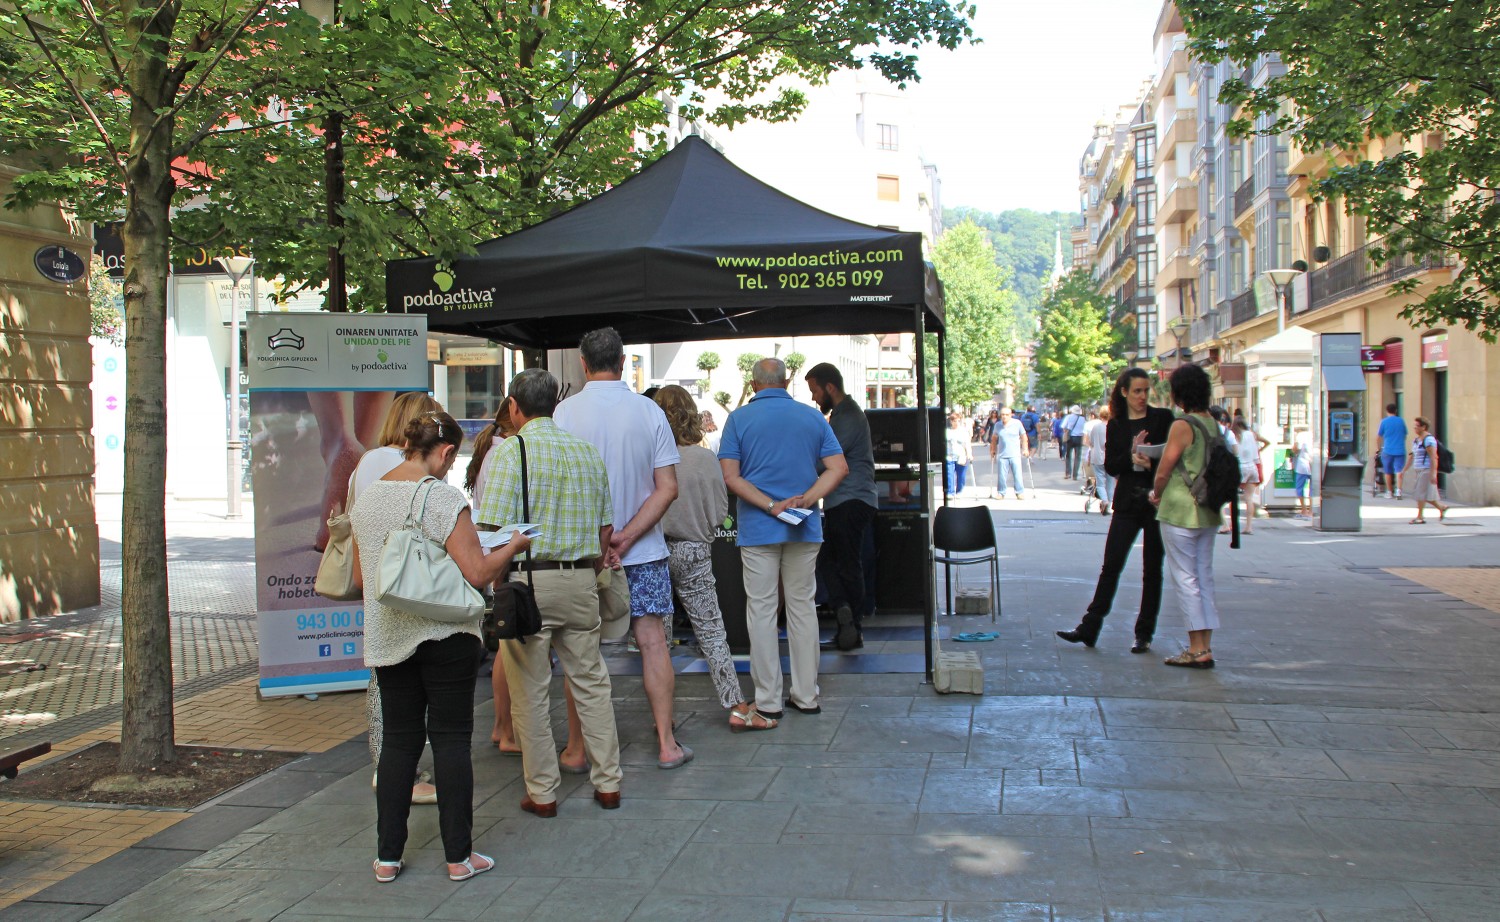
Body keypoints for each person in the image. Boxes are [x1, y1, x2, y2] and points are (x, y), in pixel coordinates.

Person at [350, 411, 529, 883]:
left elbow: (358, 579)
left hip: (389, 637)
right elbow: (477, 572)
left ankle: (387, 857)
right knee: (450, 742)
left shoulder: (367, 501)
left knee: (398, 745)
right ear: (446, 451)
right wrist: (512, 546)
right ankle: (459, 857)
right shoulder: (443, 498)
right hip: (447, 635)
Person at [476, 368, 624, 816]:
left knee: (530, 692)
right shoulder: (585, 453)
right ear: (554, 406)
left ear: (515, 407)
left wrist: (498, 581)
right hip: (580, 580)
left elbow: (492, 530)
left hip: (529, 583)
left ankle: (542, 793)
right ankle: (609, 783)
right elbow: (605, 529)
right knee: (592, 685)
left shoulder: (510, 453)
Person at [554, 327, 689, 771]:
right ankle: (667, 743)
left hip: (582, 555)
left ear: (583, 363)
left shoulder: (563, 415)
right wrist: (627, 537)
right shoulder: (649, 412)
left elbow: (557, 491)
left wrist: (602, 541)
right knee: (653, 643)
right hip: (643, 551)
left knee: (581, 651)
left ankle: (576, 749)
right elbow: (666, 488)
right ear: (623, 359)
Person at [719, 358, 847, 718]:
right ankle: (807, 695)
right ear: (787, 380)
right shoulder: (812, 417)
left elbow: (730, 476)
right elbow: (838, 467)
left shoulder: (739, 419)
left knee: (761, 610)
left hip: (759, 528)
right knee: (802, 608)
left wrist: (771, 505)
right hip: (804, 525)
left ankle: (769, 701)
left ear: (754, 383)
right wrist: (807, 498)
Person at [348, 391, 442, 806]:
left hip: (375, 578)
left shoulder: (368, 461)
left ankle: (387, 765)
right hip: (408, 580)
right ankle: (400, 770)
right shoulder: (403, 463)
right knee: (407, 683)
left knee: (381, 675)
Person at [652, 386, 765, 729]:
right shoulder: (704, 459)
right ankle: (737, 706)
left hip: (654, 551)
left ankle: (663, 718)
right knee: (712, 630)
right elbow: (719, 512)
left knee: (657, 639)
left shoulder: (651, 457)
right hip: (695, 549)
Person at [1058, 368, 1173, 654]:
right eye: (1137, 391)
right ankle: (1090, 626)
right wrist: (1131, 455)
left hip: (1156, 502)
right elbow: (1110, 466)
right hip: (1127, 503)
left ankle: (1144, 633)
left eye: (1146, 390)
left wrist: (1152, 465)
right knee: (1111, 566)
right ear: (1124, 392)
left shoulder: (1162, 419)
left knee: (1152, 570)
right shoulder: (1117, 424)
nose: (1143, 396)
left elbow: (1175, 459)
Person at [1149, 364, 1222, 669]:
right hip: (1208, 509)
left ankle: (1195, 648)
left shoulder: (1182, 424)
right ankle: (1205, 645)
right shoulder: (1213, 423)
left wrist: (1156, 493)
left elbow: (1165, 468)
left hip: (1180, 508)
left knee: (1185, 578)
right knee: (1203, 577)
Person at [805, 363, 878, 651]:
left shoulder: (848, 417)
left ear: (830, 388)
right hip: (844, 500)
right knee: (830, 560)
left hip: (851, 500)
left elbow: (826, 459)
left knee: (846, 563)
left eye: (814, 391)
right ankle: (845, 615)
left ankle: (851, 623)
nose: (813, 398)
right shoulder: (842, 415)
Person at [462, 400, 521, 756]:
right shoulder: (506, 453)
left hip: (497, 553)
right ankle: (505, 727)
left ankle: (504, 727)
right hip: (505, 554)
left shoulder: (493, 450)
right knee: (509, 646)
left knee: (508, 644)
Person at [1407, 416, 1450, 524]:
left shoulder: (1429, 440)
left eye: (1417, 426)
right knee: (1426, 495)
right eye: (1414, 426)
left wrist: (1433, 474)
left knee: (1420, 493)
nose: (1415, 428)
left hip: (1426, 470)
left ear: (1423, 427)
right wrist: (1404, 470)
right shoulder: (1416, 440)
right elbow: (1412, 456)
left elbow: (1434, 457)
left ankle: (1420, 516)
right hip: (1418, 470)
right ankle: (1442, 507)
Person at [1232, 419, 1269, 534]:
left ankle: (1232, 525)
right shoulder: (1253, 434)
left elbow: (1234, 451)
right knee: (1249, 498)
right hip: (1252, 467)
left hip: (1240, 467)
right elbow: (1267, 442)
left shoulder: (1236, 435)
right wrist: (1259, 450)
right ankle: (1249, 527)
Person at [988, 405, 1028, 500]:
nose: (1004, 416)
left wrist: (1025, 449)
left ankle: (1019, 492)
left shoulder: (1017, 423)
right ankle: (1001, 493)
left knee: (1017, 475)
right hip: (1002, 454)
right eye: (1002, 415)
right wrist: (993, 450)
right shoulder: (998, 425)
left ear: (1011, 415)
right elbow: (994, 438)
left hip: (1015, 454)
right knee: (1001, 476)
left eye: (1006, 414)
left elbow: (1023, 436)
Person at [1084, 407, 1113, 515]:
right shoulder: (1113, 427)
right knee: (1110, 482)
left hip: (1097, 457)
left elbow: (1090, 442)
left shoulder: (1096, 427)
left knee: (1100, 483)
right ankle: (1109, 504)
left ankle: (1104, 500)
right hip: (1110, 457)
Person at [1377, 404, 1408, 499]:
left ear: (1387, 411)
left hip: (1387, 449)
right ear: (1396, 410)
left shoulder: (1384, 422)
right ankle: (1399, 491)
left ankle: (1389, 492)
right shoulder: (1401, 421)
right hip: (1400, 449)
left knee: (1387, 471)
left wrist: (1378, 449)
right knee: (1399, 470)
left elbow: (1379, 436)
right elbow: (1405, 434)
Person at [944, 412, 971, 495]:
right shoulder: (947, 431)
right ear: (951, 421)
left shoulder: (964, 431)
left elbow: (967, 444)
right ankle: (950, 492)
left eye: (958, 421)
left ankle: (959, 490)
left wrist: (969, 454)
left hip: (961, 456)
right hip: (949, 456)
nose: (957, 423)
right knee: (949, 475)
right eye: (955, 421)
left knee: (961, 476)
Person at [1291, 427, 1314, 517]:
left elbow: (1296, 448)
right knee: (1313, 489)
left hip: (1302, 465)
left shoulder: (1300, 436)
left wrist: (1293, 451)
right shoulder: (1316, 434)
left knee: (1299, 488)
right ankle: (1311, 511)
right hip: (1314, 465)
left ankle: (1304, 510)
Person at [1063, 405, 1088, 479]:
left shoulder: (1068, 417)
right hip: (1079, 438)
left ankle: (1068, 473)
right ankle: (1075, 475)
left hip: (1070, 437)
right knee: (1077, 457)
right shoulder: (1083, 419)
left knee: (1068, 456)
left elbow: (1064, 427)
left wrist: (1067, 431)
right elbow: (1084, 429)